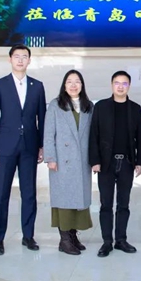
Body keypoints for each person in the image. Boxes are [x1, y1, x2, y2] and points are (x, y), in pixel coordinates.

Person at [0, 44, 47, 256]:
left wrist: (42, 145)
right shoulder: (0, 85)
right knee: (0, 194)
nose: (21, 60)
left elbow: (42, 118)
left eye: (25, 56)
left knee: (29, 193)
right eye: (17, 56)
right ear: (10, 59)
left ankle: (28, 235)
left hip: (30, 147)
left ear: (29, 60)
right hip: (5, 147)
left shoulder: (37, 86)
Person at [89, 71, 141, 258]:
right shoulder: (101, 107)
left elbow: (140, 137)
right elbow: (94, 135)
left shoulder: (135, 108)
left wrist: (139, 161)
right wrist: (95, 161)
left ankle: (121, 239)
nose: (120, 87)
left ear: (129, 86)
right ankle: (107, 241)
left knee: (123, 204)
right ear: (112, 85)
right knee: (106, 204)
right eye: (117, 83)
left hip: (127, 163)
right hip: (106, 163)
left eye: (124, 83)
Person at [43, 70, 93, 255]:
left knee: (78, 199)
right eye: (69, 81)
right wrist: (50, 158)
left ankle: (72, 236)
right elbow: (49, 134)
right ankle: (64, 240)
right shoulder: (56, 105)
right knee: (64, 199)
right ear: (64, 85)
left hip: (82, 160)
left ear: (82, 85)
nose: (73, 85)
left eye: (77, 81)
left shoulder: (88, 106)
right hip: (61, 161)